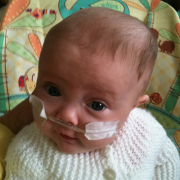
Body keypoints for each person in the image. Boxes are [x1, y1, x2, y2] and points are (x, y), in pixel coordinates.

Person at [1, 7, 180, 180]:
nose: (67, 116)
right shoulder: (27, 153)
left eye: (97, 105)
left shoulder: (146, 132)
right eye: (53, 90)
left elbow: (166, 161)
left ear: (133, 106)